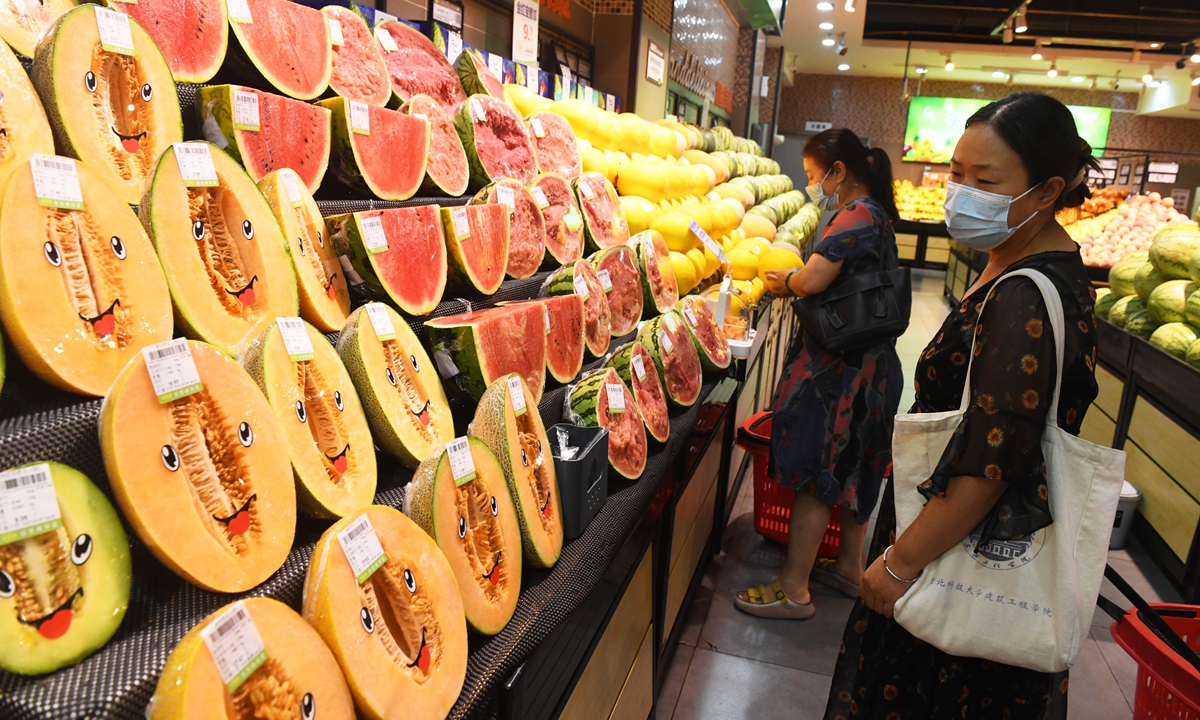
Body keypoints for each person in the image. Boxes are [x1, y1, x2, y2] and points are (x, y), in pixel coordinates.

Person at [825, 92, 1100, 719]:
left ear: (1047, 189)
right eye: (956, 173)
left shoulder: (1025, 296)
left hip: (958, 559)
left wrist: (898, 565)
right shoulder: (1019, 262)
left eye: (986, 179)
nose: (962, 192)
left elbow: (990, 463)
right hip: (958, 541)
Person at [735, 128, 905, 620]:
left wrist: (780, 279)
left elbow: (811, 279)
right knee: (855, 468)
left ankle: (794, 589)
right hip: (873, 369)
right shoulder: (880, 214)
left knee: (816, 473)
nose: (812, 184)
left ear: (839, 171)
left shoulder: (854, 215)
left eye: (813, 176)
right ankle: (850, 568)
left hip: (841, 371)